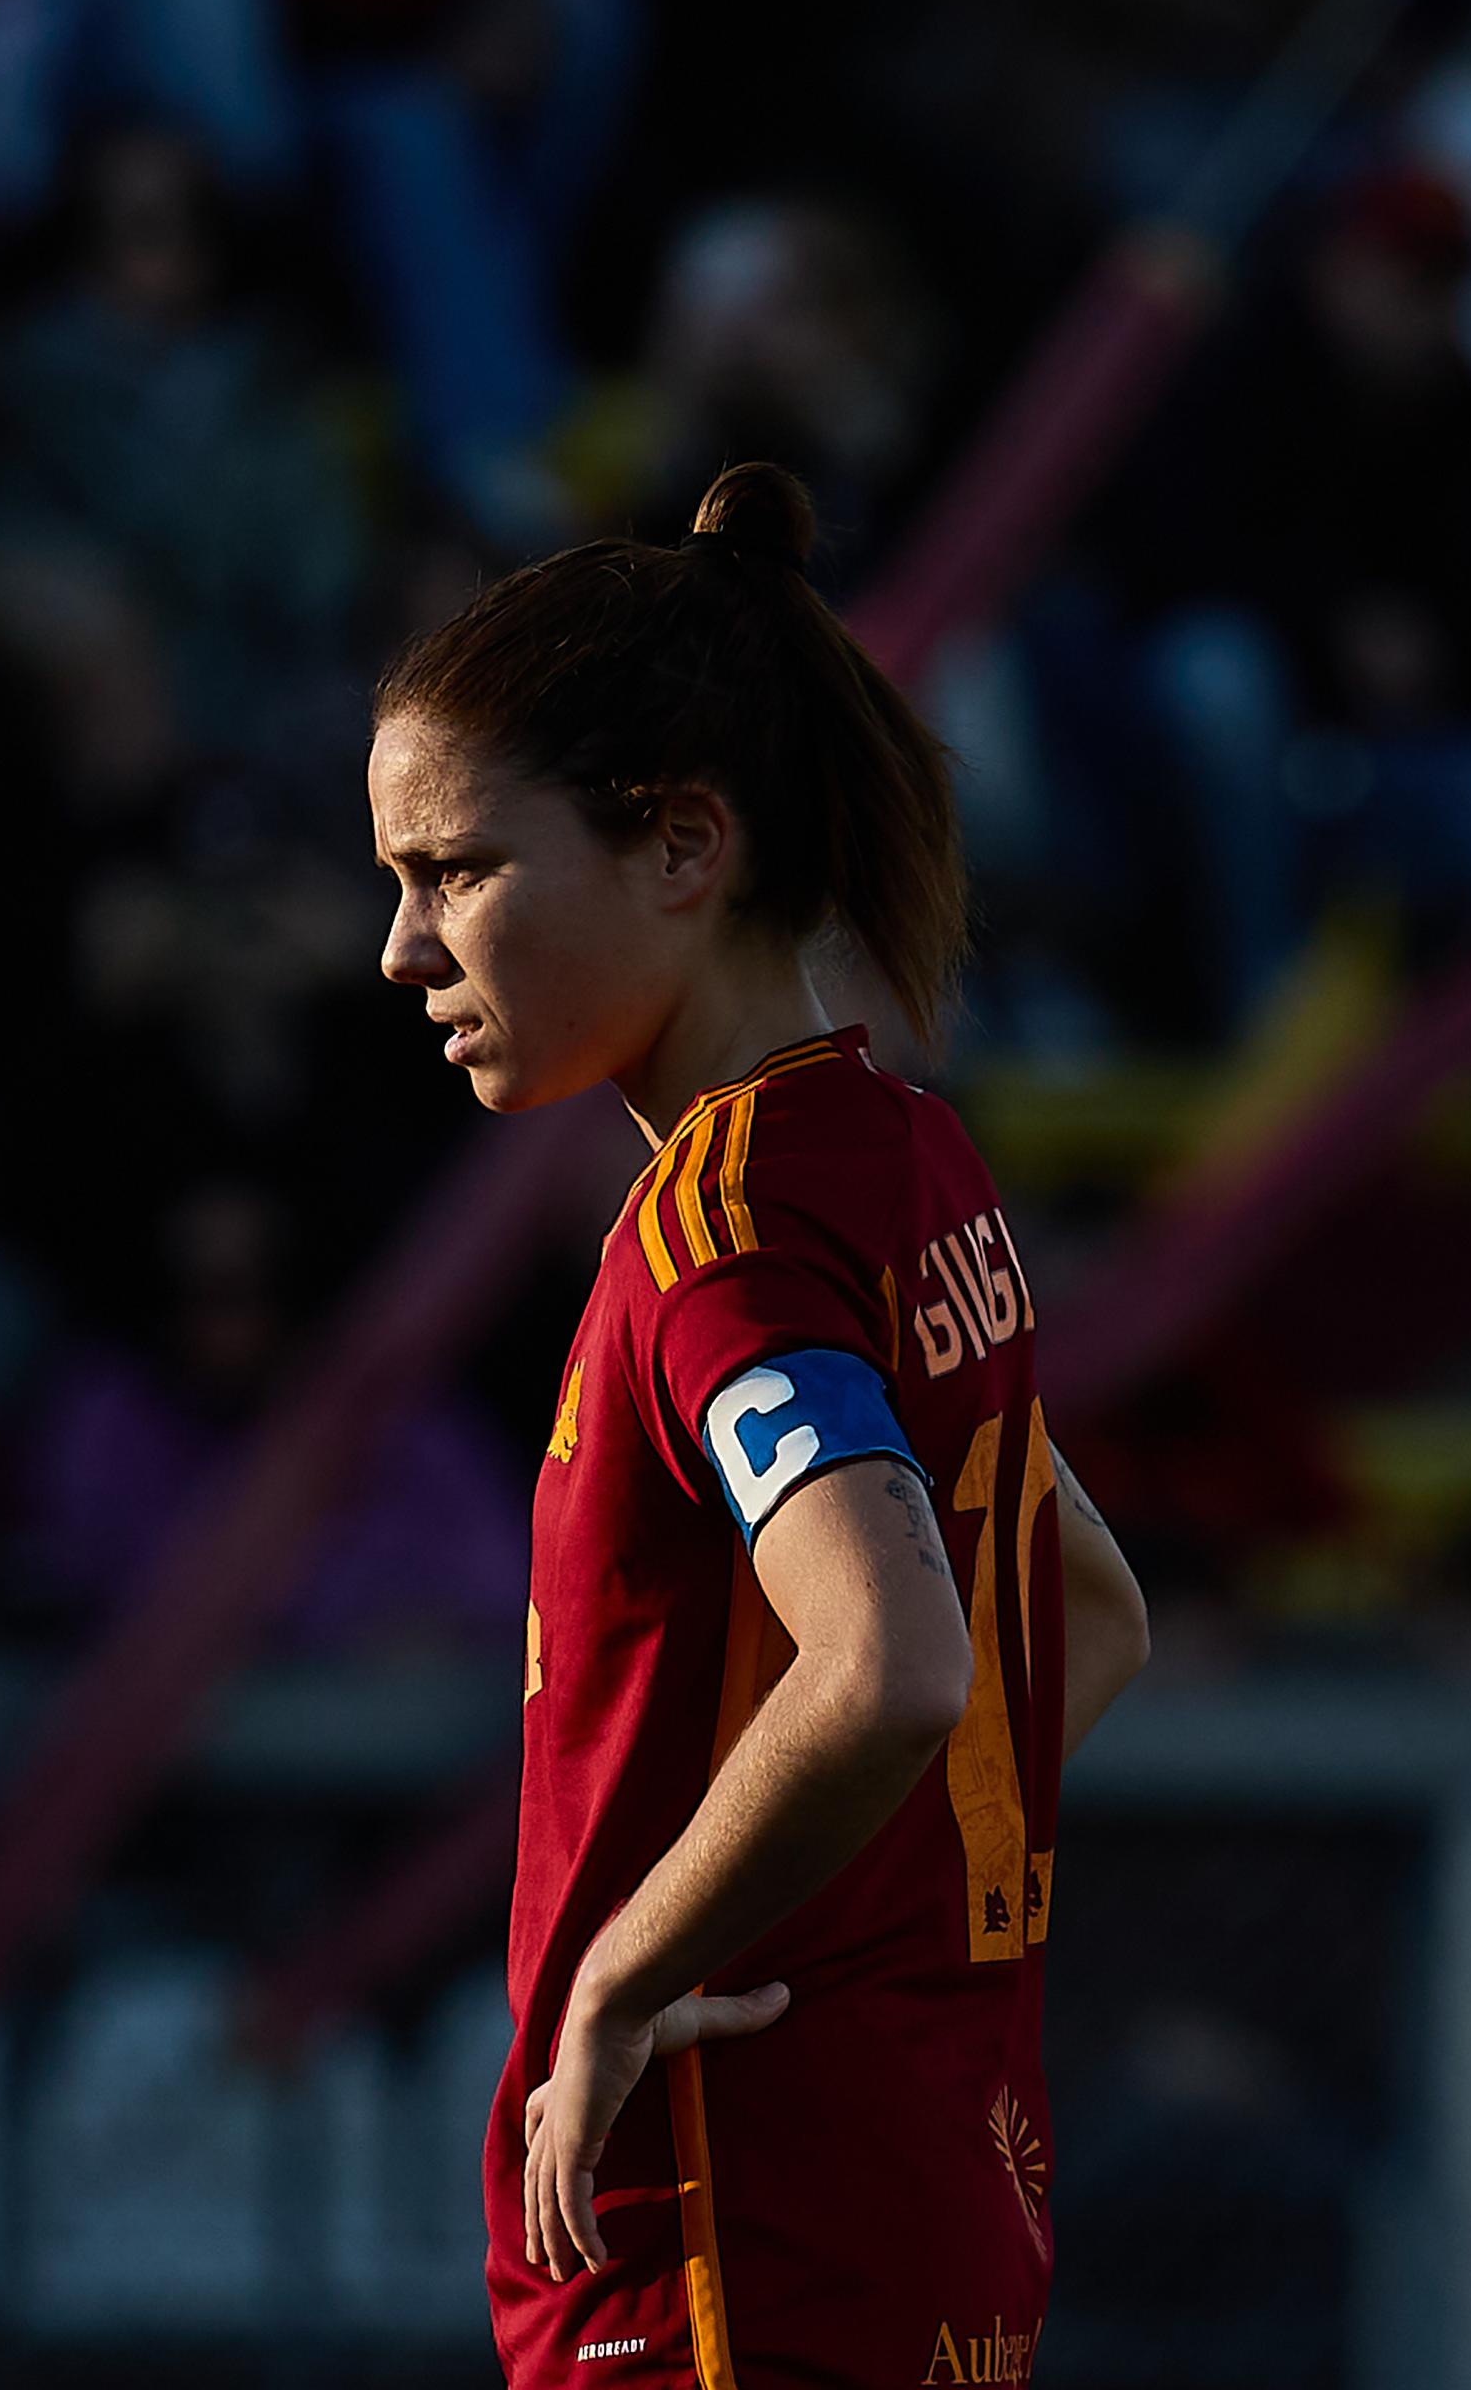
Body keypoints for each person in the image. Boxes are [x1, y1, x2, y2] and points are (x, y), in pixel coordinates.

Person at [366, 460, 1155, 2386]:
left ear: (681, 846)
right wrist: (866, 1937)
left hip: (735, 2233)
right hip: (916, 2181)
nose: (405, 950)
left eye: (456, 869)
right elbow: (1088, 1621)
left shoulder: (725, 1233)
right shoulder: (903, 1158)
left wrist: (631, 1975)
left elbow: (889, 1667)